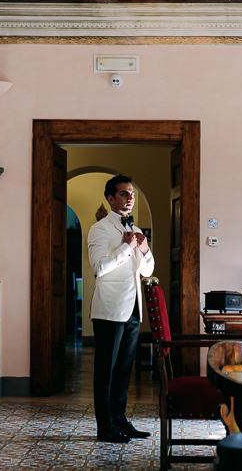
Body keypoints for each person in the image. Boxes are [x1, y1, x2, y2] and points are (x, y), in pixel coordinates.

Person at [87, 174, 155, 442]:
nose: (130, 198)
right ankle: (104, 428)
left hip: (133, 309)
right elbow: (99, 268)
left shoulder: (137, 230)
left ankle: (120, 420)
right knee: (106, 371)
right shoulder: (99, 229)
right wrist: (127, 247)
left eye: (132, 194)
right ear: (110, 198)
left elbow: (147, 271)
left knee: (124, 371)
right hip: (109, 311)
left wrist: (145, 249)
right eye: (124, 194)